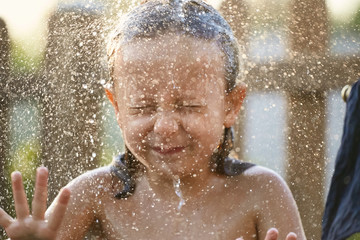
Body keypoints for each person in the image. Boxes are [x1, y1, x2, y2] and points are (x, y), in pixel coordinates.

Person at [0, 0, 305, 239]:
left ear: (231, 105)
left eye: (188, 106)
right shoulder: (96, 194)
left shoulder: (260, 192)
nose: (165, 126)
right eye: (143, 107)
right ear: (117, 107)